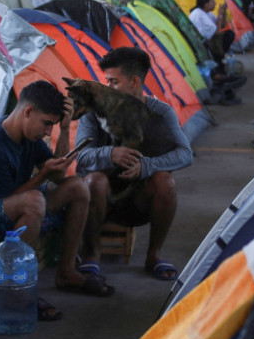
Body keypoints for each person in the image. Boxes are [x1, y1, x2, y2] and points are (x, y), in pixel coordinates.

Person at [0, 80, 112, 316]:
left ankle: (67, 272)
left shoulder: (28, 137)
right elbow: (2, 202)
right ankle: (17, 292)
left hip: (17, 212)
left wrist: (66, 129)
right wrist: (42, 176)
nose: (48, 132)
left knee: (77, 187)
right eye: (47, 124)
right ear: (28, 112)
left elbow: (58, 176)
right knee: (34, 200)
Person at [76, 47, 192, 283]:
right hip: (100, 199)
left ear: (135, 81)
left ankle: (154, 255)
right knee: (94, 180)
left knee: (165, 181)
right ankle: (92, 254)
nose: (108, 88)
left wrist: (146, 166)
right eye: (106, 81)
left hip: (139, 201)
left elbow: (185, 154)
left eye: (113, 82)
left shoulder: (162, 112)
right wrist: (111, 154)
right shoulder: (92, 113)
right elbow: (81, 156)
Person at [189, 0, 237, 81]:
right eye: (212, 1)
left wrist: (223, 13)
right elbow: (217, 30)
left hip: (208, 40)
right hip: (202, 44)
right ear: (206, 4)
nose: (214, 3)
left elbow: (222, 25)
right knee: (227, 36)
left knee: (229, 34)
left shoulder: (207, 13)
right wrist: (219, 14)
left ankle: (219, 64)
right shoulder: (199, 14)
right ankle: (218, 66)